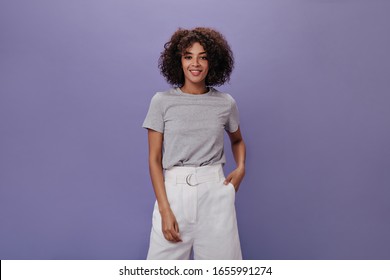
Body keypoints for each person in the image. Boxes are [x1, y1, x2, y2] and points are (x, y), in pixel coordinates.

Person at [142, 27, 246, 260]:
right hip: (174, 195)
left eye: (203, 56)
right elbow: (154, 160)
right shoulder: (161, 102)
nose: (195, 63)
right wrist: (165, 209)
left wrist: (240, 168)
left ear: (213, 62)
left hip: (215, 194)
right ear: (178, 61)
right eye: (188, 56)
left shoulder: (225, 103)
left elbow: (237, 140)